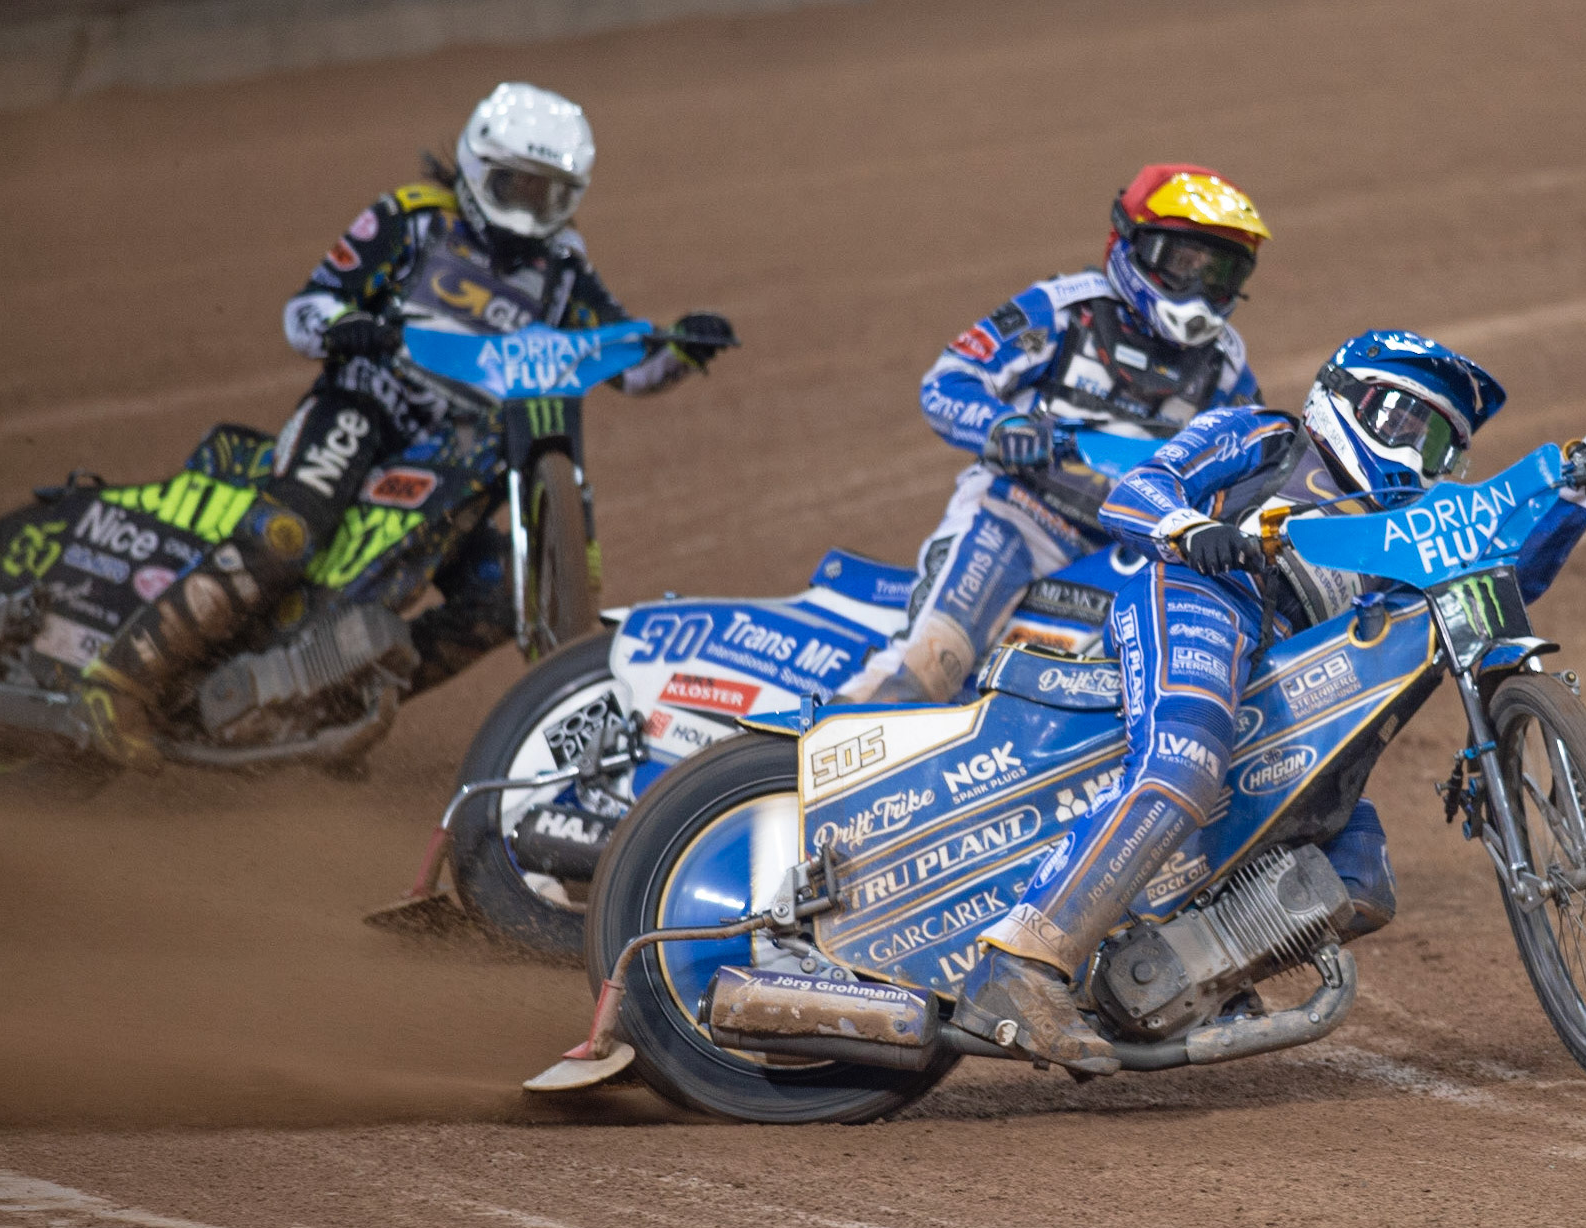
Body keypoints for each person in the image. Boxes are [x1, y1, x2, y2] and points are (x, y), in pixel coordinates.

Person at [950, 329, 1586, 1074]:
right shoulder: (1266, 434)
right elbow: (1141, 486)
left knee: (1357, 872)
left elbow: (1505, 580)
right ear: (1343, 399)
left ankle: (1172, 980)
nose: (1419, 454)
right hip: (1203, 595)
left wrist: (1578, 493)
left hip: (1288, 675)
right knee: (1183, 761)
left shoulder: (1406, 532)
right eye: (1407, 422)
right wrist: (1192, 529)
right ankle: (1020, 970)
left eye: (1440, 443)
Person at [74, 82, 734, 768]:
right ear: (479, 168)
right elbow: (309, 307)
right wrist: (347, 326)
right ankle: (121, 678)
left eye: (550, 193)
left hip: (466, 456)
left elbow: (623, 364)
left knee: (496, 597)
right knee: (288, 532)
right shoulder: (414, 218)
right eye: (516, 186)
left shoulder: (563, 264)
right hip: (366, 409)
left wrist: (683, 349)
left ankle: (326, 708)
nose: (531, 210)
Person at [834, 164, 1269, 703]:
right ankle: (810, 759)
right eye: (1184, 262)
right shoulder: (1066, 308)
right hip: (1017, 520)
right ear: (1133, 243)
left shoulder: (1225, 364)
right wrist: (1001, 426)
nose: (1201, 288)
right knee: (928, 668)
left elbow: (1251, 455)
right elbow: (947, 381)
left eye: (1221, 272)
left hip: (1131, 546)